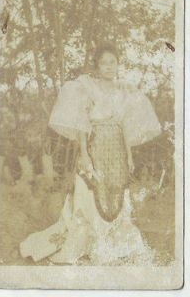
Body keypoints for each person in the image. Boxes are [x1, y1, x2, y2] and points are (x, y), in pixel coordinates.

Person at [20, 43, 162, 265]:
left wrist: (129, 155)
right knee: (90, 190)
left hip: (116, 150)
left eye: (112, 62)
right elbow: (82, 125)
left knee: (116, 193)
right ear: (97, 64)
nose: (108, 66)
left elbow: (124, 126)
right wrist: (84, 155)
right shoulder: (87, 87)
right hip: (95, 147)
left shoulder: (123, 90)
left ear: (117, 64)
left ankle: (115, 244)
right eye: (104, 62)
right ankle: (87, 242)